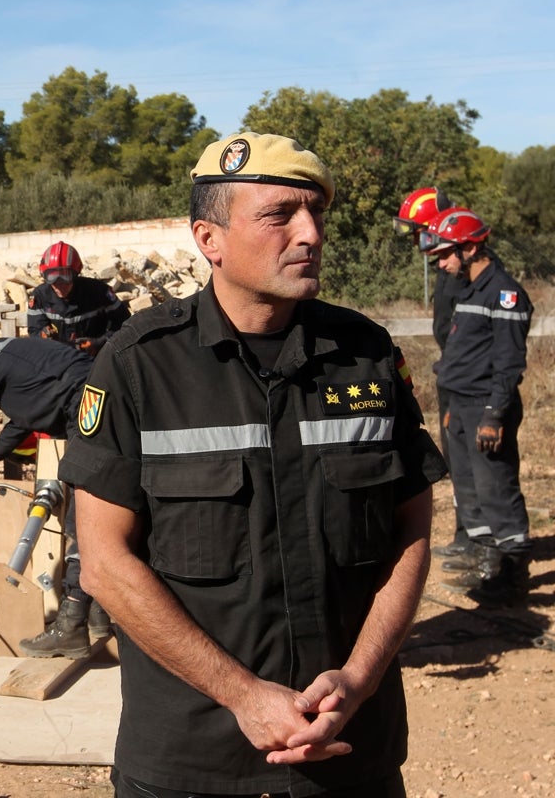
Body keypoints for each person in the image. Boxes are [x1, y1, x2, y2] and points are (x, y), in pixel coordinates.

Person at [62, 132, 446, 797]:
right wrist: (242, 696)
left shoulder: (365, 356)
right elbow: (103, 563)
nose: (310, 234)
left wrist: (358, 677)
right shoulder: (140, 366)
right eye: (280, 215)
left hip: (349, 753)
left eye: (316, 213)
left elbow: (410, 526)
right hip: (193, 763)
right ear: (209, 238)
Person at [0, 323, 108, 658]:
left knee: (82, 518)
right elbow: (24, 420)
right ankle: (97, 611)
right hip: (90, 400)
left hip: (83, 403)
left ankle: (72, 623)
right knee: (95, 506)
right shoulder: (13, 357)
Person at [420, 209, 534, 607]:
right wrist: (452, 407)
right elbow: (460, 355)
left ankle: (513, 576)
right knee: (470, 491)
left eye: (447, 254)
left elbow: (508, 363)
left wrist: (493, 416)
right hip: (461, 407)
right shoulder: (468, 289)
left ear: (470, 248)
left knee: (497, 491)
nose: (442, 263)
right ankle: (487, 565)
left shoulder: (505, 293)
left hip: (486, 409)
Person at [394, 187, 472, 562]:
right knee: (459, 459)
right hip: (455, 375)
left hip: (468, 381)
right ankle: (469, 535)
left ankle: (484, 544)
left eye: (418, 230)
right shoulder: (449, 269)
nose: (415, 239)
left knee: (476, 463)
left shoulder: (462, 272)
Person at [27, 241, 131, 356]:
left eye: (66, 277)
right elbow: (34, 330)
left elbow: (125, 324)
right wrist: (44, 335)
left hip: (98, 358)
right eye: (53, 277)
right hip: (58, 358)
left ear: (76, 273)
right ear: (44, 275)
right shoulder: (40, 296)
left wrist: (99, 343)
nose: (60, 284)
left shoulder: (99, 292)